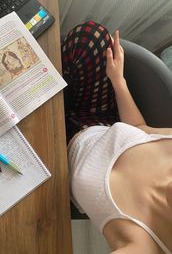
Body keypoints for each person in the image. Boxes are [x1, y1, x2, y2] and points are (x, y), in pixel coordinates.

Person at [62, 21, 172, 254]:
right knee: (91, 38)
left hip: (57, 159)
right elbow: (139, 127)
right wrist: (117, 79)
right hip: (99, 122)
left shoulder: (148, 245)